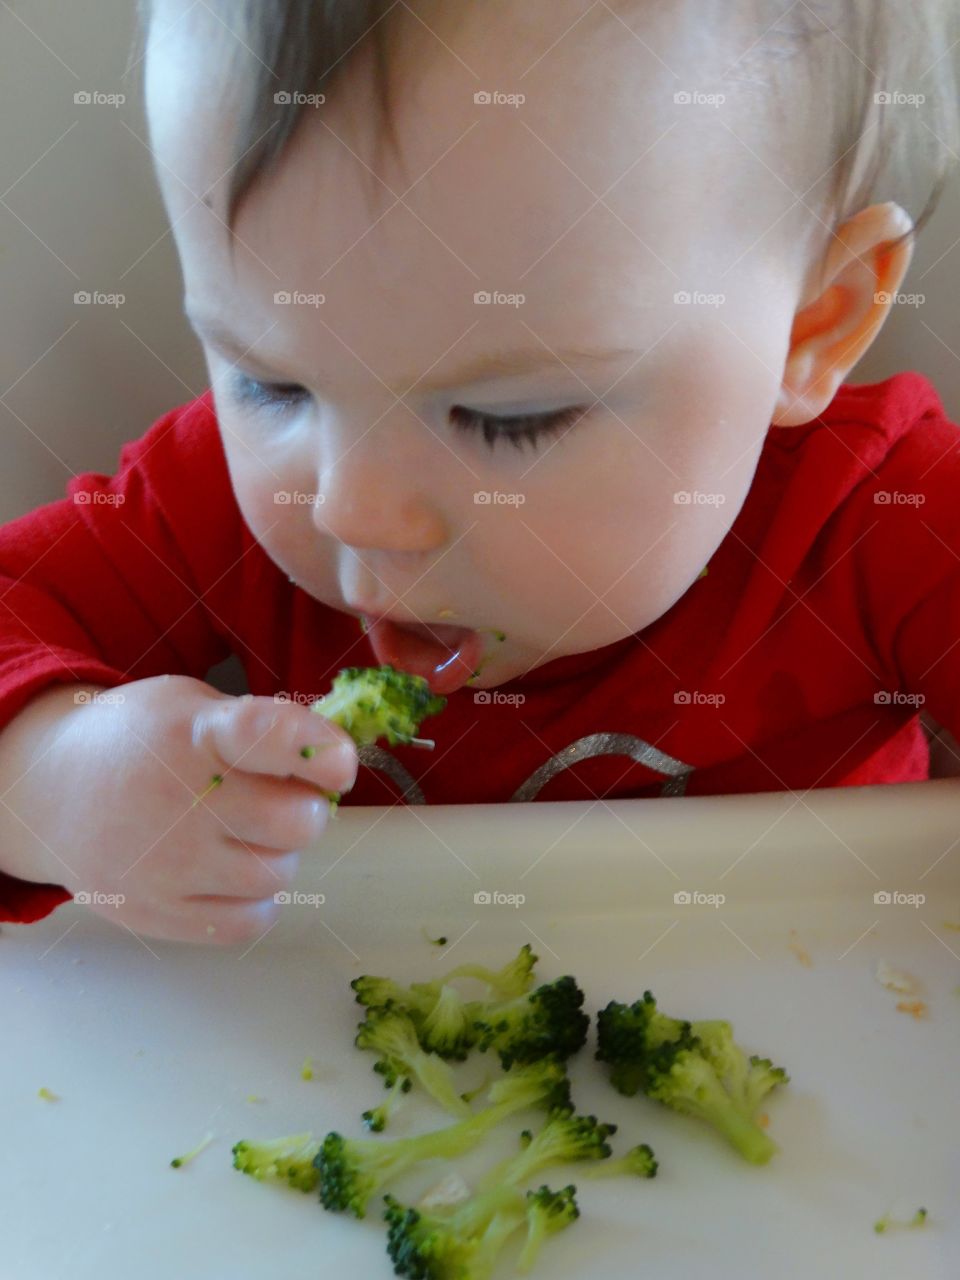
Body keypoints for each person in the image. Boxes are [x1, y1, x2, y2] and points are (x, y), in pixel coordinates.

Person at [0, 0, 957, 943]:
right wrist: (54, 774)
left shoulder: (879, 513)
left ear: (810, 325)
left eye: (509, 418)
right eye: (272, 385)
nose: (352, 508)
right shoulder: (207, 502)